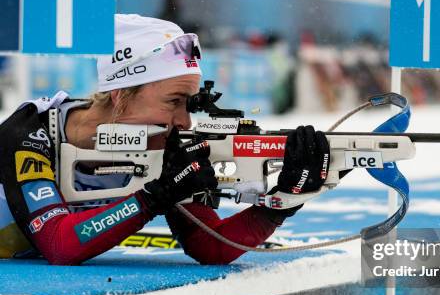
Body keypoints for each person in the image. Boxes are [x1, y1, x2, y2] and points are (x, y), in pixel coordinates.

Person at [0, 14, 330, 265]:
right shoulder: (31, 132)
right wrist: (154, 198)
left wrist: (282, 203)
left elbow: (209, 245)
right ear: (120, 95)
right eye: (173, 102)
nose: (186, 120)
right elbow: (61, 244)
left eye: (190, 104)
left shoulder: (165, 146)